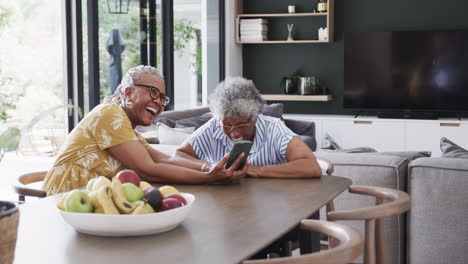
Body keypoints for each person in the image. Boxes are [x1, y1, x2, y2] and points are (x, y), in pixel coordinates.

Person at [42, 65, 246, 195]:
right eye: (153, 93)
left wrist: (210, 167)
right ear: (128, 93)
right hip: (63, 201)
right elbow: (147, 169)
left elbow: (164, 160)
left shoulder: (127, 129)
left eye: (162, 98)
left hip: (91, 202)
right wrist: (209, 178)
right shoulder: (109, 114)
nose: (158, 103)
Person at [176, 76, 322, 179]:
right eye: (227, 125)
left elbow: (311, 166)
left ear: (254, 118)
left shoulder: (274, 128)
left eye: (241, 125)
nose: (234, 132)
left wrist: (257, 171)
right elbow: (180, 155)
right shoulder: (213, 126)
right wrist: (210, 167)